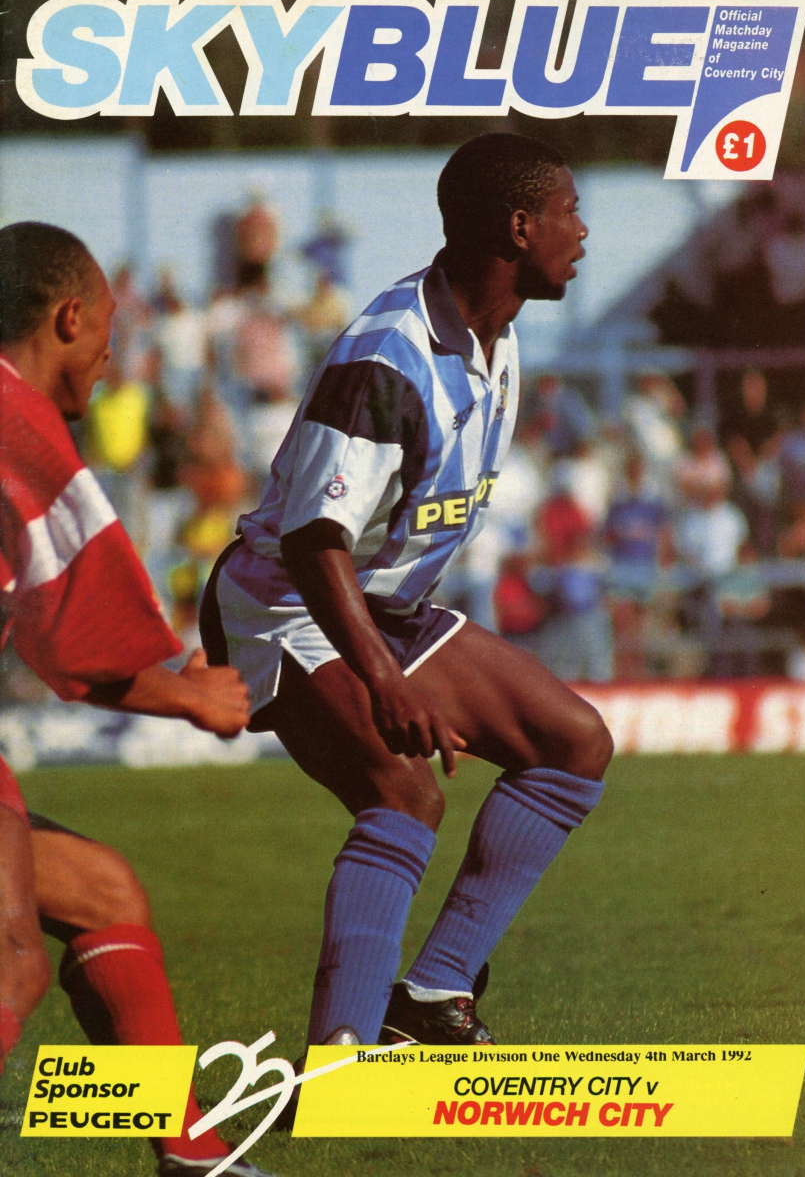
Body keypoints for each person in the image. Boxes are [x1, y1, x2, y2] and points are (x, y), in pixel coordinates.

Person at [201, 134, 613, 1057]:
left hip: (381, 604)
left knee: (573, 742)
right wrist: (385, 681)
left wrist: (391, 658)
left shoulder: (497, 336)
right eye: (570, 212)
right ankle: (340, 1057)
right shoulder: (387, 356)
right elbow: (312, 540)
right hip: (285, 605)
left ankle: (430, 996)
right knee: (403, 791)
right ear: (521, 227)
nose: (583, 232)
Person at [0, 222, 272, 1177]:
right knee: (13, 960)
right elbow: (75, 640)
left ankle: (191, 1158)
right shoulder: (17, 421)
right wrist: (193, 696)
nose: (112, 361)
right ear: (69, 319)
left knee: (102, 892)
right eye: (110, 337)